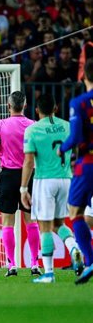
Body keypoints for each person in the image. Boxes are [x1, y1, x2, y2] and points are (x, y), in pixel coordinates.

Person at [20, 93, 83, 283]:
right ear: (55, 108)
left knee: (45, 227)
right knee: (59, 224)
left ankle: (48, 273)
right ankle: (74, 248)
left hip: (44, 180)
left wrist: (24, 188)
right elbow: (77, 149)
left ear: (37, 110)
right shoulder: (68, 126)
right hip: (66, 179)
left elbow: (29, 161)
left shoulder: (32, 130)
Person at [0, 91, 40, 277]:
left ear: (8, 105)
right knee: (31, 221)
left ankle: (12, 265)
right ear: (25, 105)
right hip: (29, 175)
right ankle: (34, 264)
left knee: (8, 222)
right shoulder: (33, 126)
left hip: (9, 176)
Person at [58, 59, 93, 284]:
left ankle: (90, 261)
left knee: (75, 212)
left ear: (84, 75)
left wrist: (61, 149)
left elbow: (75, 137)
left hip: (88, 162)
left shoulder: (79, 102)